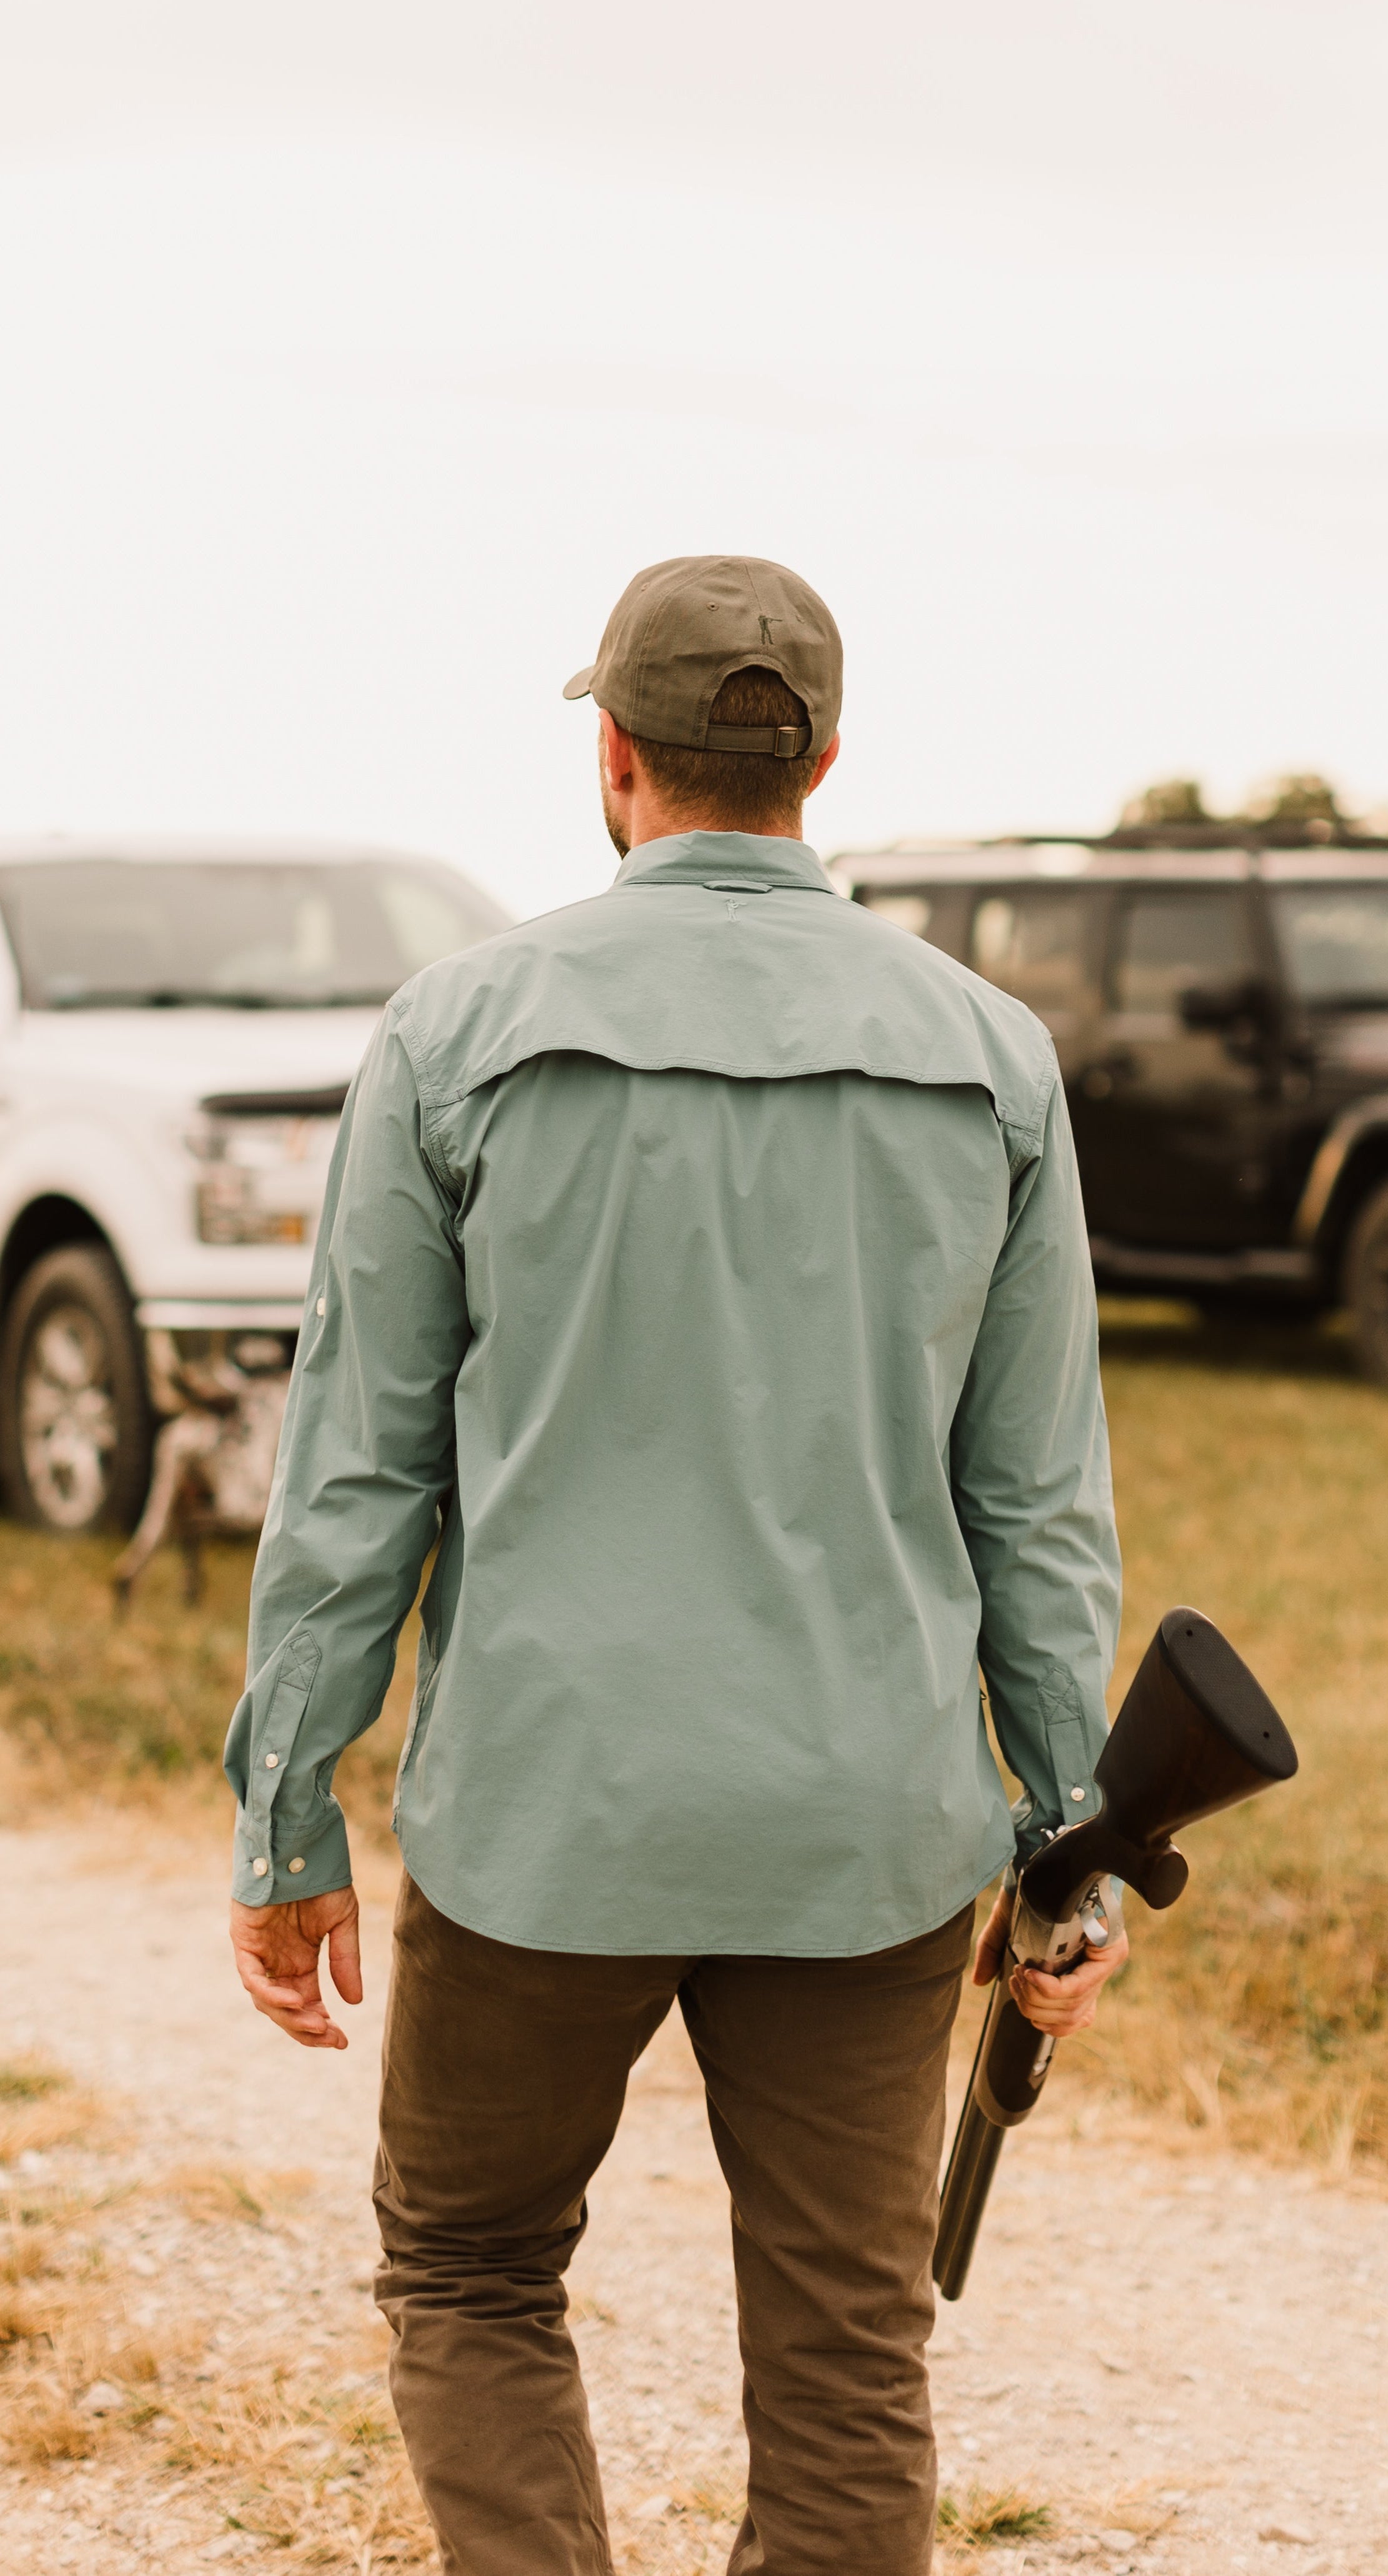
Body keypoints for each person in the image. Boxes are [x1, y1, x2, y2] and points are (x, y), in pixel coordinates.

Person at [226, 554, 1126, 2576]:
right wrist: (1070, 1847)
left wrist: (285, 1811)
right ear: (820, 760)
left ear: (616, 757)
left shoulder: (455, 1030)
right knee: (846, 2355)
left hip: (546, 1815)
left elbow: (353, 1473)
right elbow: (1036, 1504)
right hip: (864, 1827)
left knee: (466, 2267)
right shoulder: (986, 1054)